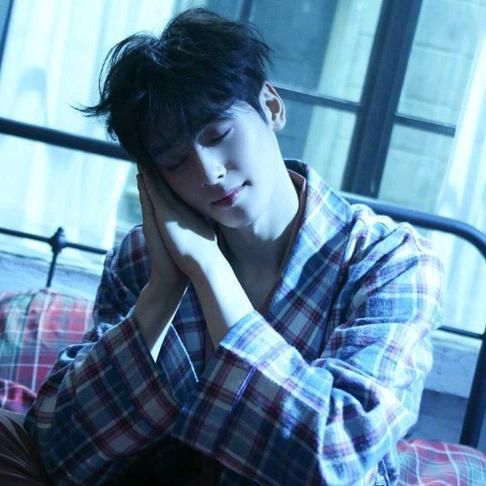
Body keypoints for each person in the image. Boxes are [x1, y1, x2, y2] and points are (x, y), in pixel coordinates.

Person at [3, 6, 479, 485]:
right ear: (153, 179)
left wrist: (210, 272)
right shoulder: (144, 259)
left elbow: (336, 458)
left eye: (219, 135)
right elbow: (57, 450)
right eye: (175, 162)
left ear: (271, 106)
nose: (210, 172)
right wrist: (162, 292)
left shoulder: (391, 262)